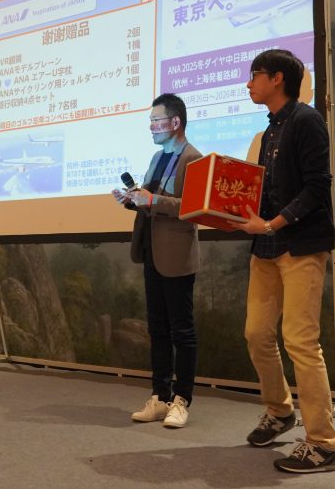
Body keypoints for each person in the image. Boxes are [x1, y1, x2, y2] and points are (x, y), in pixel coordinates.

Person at [229, 49, 335, 474]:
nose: (248, 84)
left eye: (254, 75)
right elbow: (266, 189)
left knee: (300, 341)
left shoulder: (306, 120)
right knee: (256, 333)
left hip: (300, 245)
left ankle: (323, 444)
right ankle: (279, 411)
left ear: (277, 78)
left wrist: (272, 223)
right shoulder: (271, 130)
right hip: (267, 248)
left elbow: (317, 187)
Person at [111, 93, 201, 429]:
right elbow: (149, 200)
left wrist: (153, 201)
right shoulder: (157, 157)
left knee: (182, 331)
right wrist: (131, 200)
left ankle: (182, 400)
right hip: (151, 251)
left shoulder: (193, 158)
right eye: (150, 121)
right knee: (158, 329)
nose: (151, 127)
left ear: (175, 122)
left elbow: (192, 208)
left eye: (156, 120)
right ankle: (160, 396)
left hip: (177, 254)